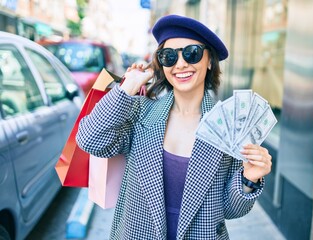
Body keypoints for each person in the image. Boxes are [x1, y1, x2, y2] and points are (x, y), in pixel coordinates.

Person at [76, 14, 272, 240]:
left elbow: (230, 210)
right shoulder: (140, 111)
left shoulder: (229, 126)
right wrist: (128, 86)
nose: (180, 64)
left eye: (192, 53)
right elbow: (89, 139)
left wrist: (249, 178)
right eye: (169, 57)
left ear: (209, 61)